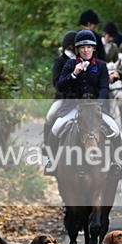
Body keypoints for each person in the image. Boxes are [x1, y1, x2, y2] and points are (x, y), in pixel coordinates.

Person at [48, 30, 122, 176]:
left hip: (96, 108)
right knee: (56, 129)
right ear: (78, 50)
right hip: (73, 107)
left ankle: (114, 163)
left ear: (93, 48)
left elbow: (104, 87)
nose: (86, 50)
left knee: (115, 129)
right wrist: (74, 74)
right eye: (82, 47)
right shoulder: (70, 64)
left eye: (89, 47)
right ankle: (52, 162)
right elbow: (60, 86)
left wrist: (99, 103)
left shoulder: (101, 65)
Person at [43, 31, 77, 170]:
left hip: (82, 100)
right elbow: (57, 83)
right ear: (70, 46)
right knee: (50, 116)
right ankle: (49, 152)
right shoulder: (59, 61)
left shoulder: (83, 59)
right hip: (63, 99)